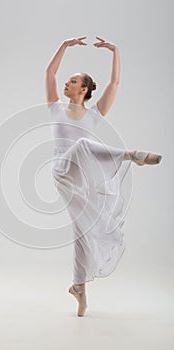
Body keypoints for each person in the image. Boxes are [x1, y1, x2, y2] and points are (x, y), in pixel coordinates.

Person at [44, 36, 162, 317]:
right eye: (68, 80)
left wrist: (116, 51)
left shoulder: (94, 114)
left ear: (84, 89)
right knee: (83, 145)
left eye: (73, 81)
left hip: (83, 178)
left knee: (83, 233)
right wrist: (64, 45)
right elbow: (49, 73)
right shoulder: (56, 108)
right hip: (62, 169)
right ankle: (130, 154)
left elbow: (115, 84)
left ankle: (79, 288)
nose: (67, 84)